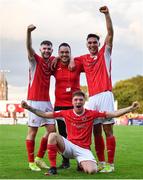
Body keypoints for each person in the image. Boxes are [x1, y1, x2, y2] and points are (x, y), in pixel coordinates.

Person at [21, 91, 139, 175]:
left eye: (80, 100)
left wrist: (130, 108)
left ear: (84, 102)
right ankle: (53, 168)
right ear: (72, 102)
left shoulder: (92, 113)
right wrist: (28, 108)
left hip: (84, 150)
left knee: (92, 171)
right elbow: (45, 115)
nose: (78, 102)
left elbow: (112, 114)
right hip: (69, 146)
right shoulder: (65, 113)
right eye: (76, 100)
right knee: (52, 135)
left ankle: (81, 163)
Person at [75, 6, 117, 172]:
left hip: (105, 95)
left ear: (99, 44)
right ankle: (100, 162)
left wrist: (107, 14)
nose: (92, 44)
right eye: (90, 43)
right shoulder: (83, 59)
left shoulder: (104, 53)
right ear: (86, 44)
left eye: (95, 42)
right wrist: (70, 61)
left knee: (108, 130)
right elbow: (67, 60)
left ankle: (111, 164)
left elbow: (111, 33)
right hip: (92, 98)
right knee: (96, 131)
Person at [26, 24, 56, 171]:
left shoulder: (51, 62)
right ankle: (31, 162)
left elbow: (63, 58)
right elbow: (28, 47)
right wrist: (28, 32)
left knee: (52, 130)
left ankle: (39, 158)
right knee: (33, 132)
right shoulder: (35, 60)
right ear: (40, 50)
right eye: (44, 48)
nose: (46, 50)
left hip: (46, 101)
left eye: (49, 48)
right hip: (34, 100)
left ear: (51, 50)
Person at [52, 43, 84, 169]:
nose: (64, 54)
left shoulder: (77, 63)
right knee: (63, 135)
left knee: (77, 135)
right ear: (59, 53)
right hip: (59, 105)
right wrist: (56, 58)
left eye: (67, 52)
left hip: (74, 106)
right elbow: (46, 59)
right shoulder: (55, 65)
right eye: (62, 52)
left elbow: (86, 60)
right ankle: (65, 162)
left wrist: (72, 59)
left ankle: (80, 162)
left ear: (70, 53)